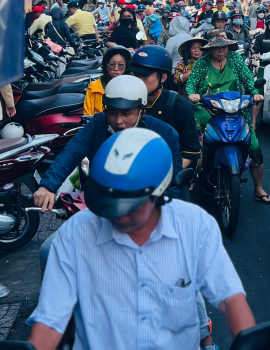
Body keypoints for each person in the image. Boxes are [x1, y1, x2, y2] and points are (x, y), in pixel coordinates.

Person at [27, 128, 255, 350]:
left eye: (131, 206)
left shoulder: (195, 226)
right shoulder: (74, 235)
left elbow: (229, 297)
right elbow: (51, 319)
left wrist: (247, 338)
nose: (119, 215)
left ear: (159, 193)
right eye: (110, 205)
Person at [33, 76, 181, 214]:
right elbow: (71, 153)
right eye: (112, 113)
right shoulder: (98, 124)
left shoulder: (165, 135)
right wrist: (47, 186)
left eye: (126, 114)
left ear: (141, 112)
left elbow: (174, 184)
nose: (118, 121)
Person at [185, 32, 270, 203]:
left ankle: (258, 188)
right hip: (207, 110)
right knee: (193, 136)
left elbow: (248, 80)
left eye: (223, 46)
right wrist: (192, 94)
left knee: (253, 145)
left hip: (236, 110)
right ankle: (193, 174)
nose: (221, 50)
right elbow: (191, 83)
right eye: (217, 47)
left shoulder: (236, 59)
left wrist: (255, 94)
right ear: (210, 49)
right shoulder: (202, 63)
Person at [130, 45, 202, 170]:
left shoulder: (179, 106)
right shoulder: (126, 101)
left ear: (163, 77)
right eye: (136, 75)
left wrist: (168, 176)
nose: (139, 81)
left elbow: (190, 151)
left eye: (145, 76)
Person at [83, 47, 131, 116]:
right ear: (106, 65)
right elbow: (88, 116)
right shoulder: (94, 88)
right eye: (112, 64)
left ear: (126, 67)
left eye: (120, 65)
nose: (116, 68)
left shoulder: (131, 87)